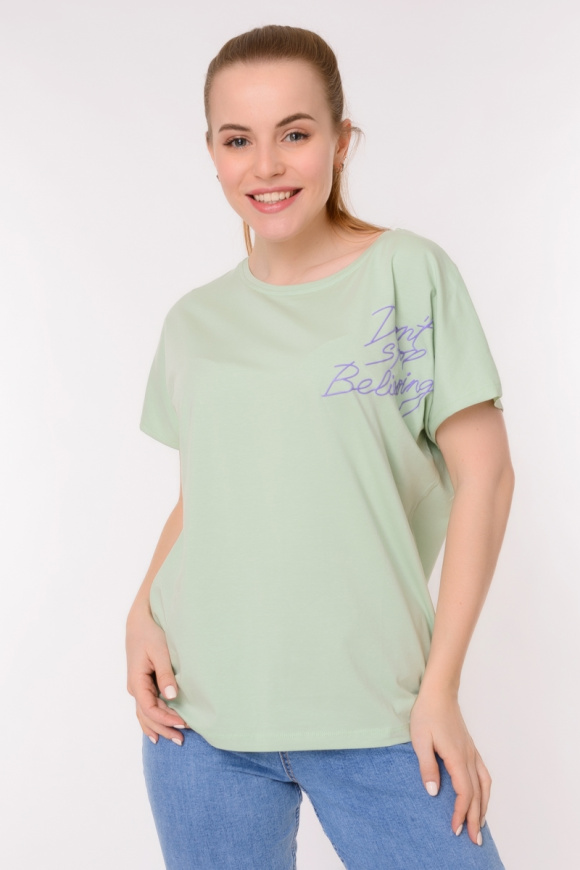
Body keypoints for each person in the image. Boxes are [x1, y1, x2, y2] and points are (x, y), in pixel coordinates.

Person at [125, 24, 514, 870]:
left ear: (341, 142)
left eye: (294, 134)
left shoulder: (407, 272)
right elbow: (207, 497)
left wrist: (441, 689)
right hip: (200, 724)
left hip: (382, 716)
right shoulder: (194, 321)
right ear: (213, 154)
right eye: (238, 140)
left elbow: (486, 480)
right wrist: (138, 615)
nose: (266, 166)